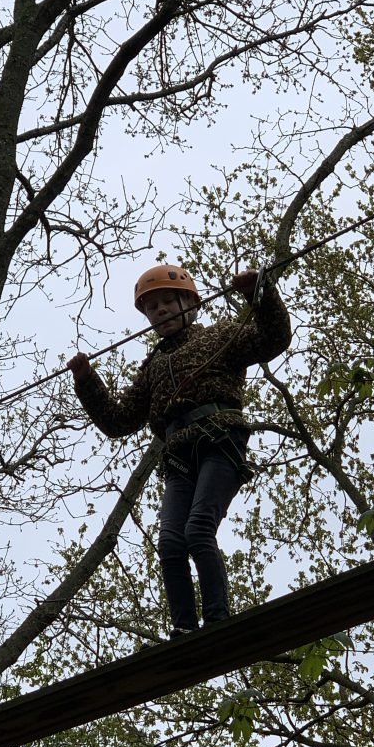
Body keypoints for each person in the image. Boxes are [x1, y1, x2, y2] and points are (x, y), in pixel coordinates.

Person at [67, 263, 292, 638]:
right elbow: (118, 421)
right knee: (170, 541)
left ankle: (218, 619)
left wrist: (259, 293)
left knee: (198, 529)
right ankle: (184, 627)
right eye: (152, 308)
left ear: (191, 304)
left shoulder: (220, 336)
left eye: (169, 302)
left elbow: (274, 338)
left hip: (220, 442)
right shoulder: (154, 366)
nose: (161, 311)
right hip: (178, 456)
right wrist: (86, 380)